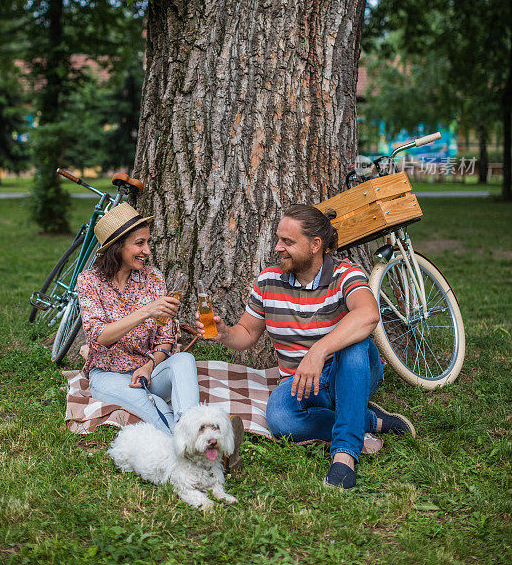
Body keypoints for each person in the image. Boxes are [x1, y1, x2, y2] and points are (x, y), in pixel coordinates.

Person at [196, 204, 415, 490]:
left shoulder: (345, 274)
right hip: (301, 382)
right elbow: (247, 333)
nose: (278, 248)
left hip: (348, 370)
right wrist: (225, 333)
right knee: (282, 420)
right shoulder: (268, 281)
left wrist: (318, 351)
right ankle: (368, 420)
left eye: (287, 242)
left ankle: (344, 457)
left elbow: (369, 314)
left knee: (354, 343)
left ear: (315, 245)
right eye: (278, 240)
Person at [77, 203, 200, 433]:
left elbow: (166, 337)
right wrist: (147, 311)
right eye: (139, 243)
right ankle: (192, 440)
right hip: (108, 375)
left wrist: (149, 365)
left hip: (149, 370)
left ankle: (191, 426)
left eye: (147, 242)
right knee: (157, 406)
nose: (148, 251)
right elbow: (99, 337)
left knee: (184, 360)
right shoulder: (89, 281)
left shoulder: (153, 277)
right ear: (117, 246)